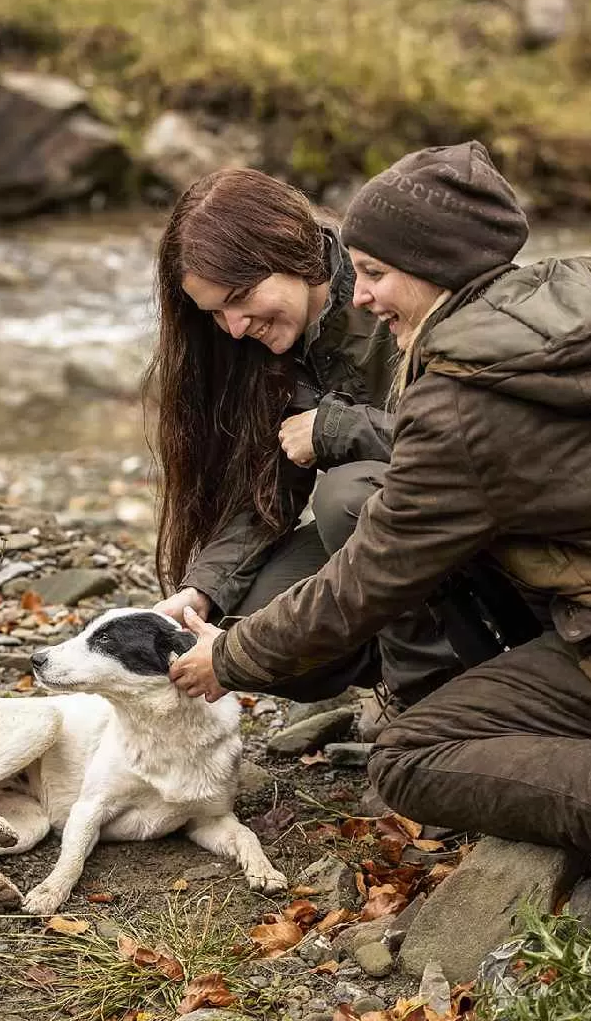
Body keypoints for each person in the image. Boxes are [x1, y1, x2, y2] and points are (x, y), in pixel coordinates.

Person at [169, 140, 591, 914]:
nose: (362, 296)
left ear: (432, 265)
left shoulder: (452, 403)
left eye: (373, 274)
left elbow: (370, 578)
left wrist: (231, 660)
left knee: (411, 758)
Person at [147, 167, 486, 709]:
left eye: (240, 297)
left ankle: (437, 704)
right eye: (215, 313)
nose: (234, 327)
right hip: (411, 547)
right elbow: (266, 490)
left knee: (346, 497)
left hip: (480, 528)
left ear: (289, 251)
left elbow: (483, 439)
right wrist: (204, 588)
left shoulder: (395, 294)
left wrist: (335, 430)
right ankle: (416, 667)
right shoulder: (264, 347)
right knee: (245, 626)